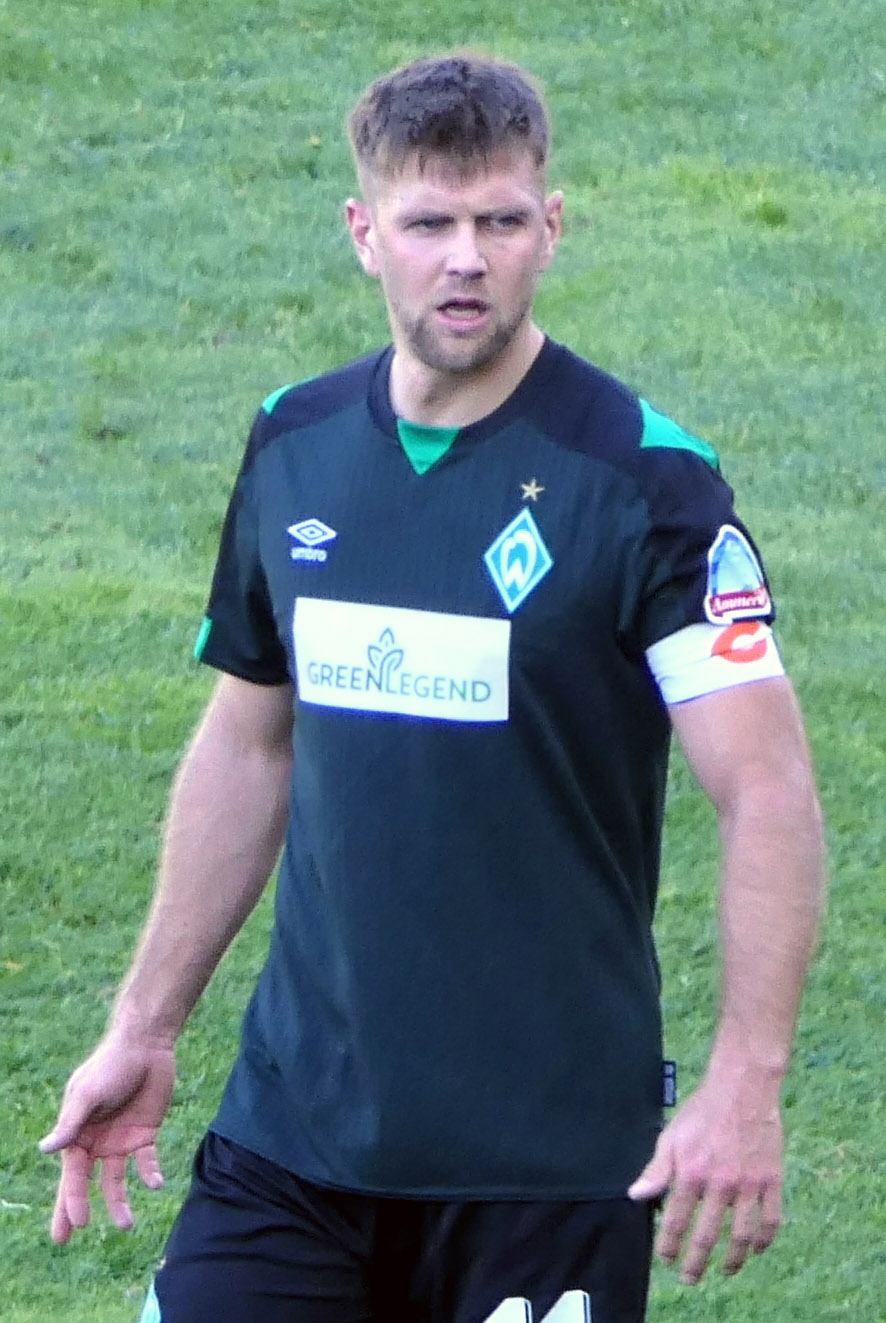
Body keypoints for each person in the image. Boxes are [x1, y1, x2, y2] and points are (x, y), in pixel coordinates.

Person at [40, 54, 825, 1323]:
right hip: (296, 1133)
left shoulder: (647, 482)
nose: (466, 259)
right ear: (364, 233)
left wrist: (749, 1078)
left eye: (500, 222)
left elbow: (767, 789)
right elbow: (249, 742)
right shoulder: (294, 443)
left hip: (542, 1164)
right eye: (429, 224)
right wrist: (144, 1024)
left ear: (549, 228)